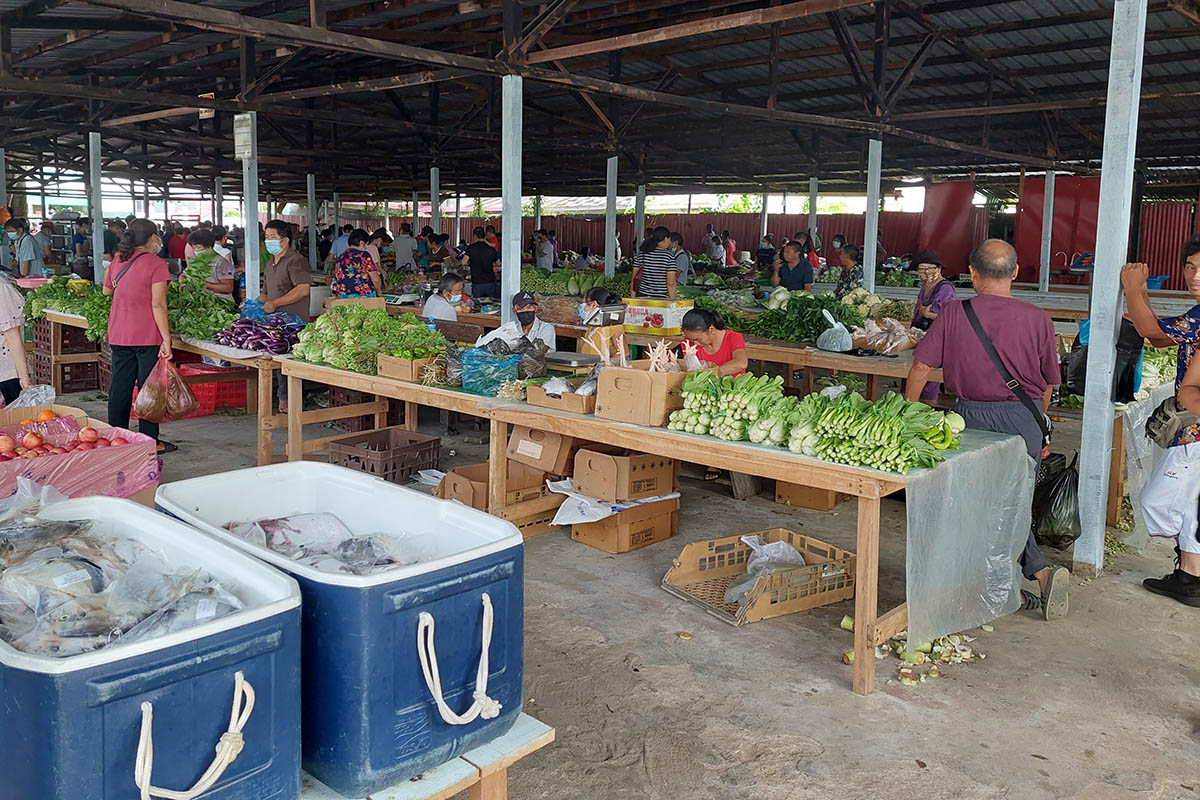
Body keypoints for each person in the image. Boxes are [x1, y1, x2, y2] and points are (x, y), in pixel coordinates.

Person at [905, 239, 1068, 620]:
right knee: (1011, 500)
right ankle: (1032, 576)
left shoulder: (953, 314)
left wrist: (907, 413)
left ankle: (1006, 583)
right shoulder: (1038, 319)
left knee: (977, 504)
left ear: (972, 274)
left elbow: (920, 369)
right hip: (1022, 419)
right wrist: (1031, 421)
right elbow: (1047, 386)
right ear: (1014, 272)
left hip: (971, 418)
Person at [1120, 241, 1200, 604]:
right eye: (1189, 266)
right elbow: (1160, 336)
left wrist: (1134, 289)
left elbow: (1149, 332)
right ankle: (1188, 576)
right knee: (1189, 503)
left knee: (1161, 501)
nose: (1194, 276)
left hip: (1195, 430)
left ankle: (1189, 574)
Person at [102, 218, 173, 452]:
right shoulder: (156, 263)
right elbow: (158, 305)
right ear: (153, 238)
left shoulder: (118, 260)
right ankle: (149, 442)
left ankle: (116, 437)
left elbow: (106, 291)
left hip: (119, 332)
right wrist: (167, 339)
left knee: (120, 386)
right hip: (146, 335)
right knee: (148, 389)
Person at [261, 219, 312, 411]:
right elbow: (266, 292)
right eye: (266, 237)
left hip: (294, 322)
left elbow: (303, 289)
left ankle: (289, 402)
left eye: (272, 237)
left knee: (291, 362)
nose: (268, 241)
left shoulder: (296, 260)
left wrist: (276, 303)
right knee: (278, 361)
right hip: (276, 321)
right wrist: (254, 304)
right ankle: (283, 399)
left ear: (285, 240)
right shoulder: (270, 263)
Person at [906, 251, 957, 404]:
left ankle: (927, 412)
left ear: (939, 269)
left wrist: (928, 315)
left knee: (928, 381)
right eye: (921, 269)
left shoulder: (945, 288)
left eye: (929, 269)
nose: (925, 273)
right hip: (920, 336)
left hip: (936, 340)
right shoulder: (925, 286)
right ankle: (909, 405)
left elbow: (951, 317)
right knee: (912, 374)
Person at [476, 291, 556, 351]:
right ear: (514, 311)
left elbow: (539, 351)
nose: (525, 311)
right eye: (520, 308)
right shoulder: (511, 330)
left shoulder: (546, 328)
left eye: (528, 307)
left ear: (535, 309)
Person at [681, 308, 748, 377]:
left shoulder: (733, 337)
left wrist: (707, 375)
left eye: (698, 339)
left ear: (711, 329)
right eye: (691, 339)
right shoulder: (688, 343)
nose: (695, 343)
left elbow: (741, 364)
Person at [0, 266, 32, 404]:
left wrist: (24, 377)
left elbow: (12, 334)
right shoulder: (2, 287)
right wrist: (24, 377)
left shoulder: (2, 286)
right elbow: (12, 335)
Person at [185, 229, 236, 300]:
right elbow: (185, 274)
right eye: (194, 248)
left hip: (219, 302)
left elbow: (228, 288)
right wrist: (183, 280)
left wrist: (203, 284)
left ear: (209, 247)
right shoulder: (196, 261)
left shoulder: (221, 262)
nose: (196, 250)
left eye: (199, 247)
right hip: (203, 302)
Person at [330, 229, 382, 298]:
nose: (366, 247)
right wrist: (379, 292)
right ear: (361, 243)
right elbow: (375, 279)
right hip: (363, 298)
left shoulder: (341, 257)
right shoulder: (363, 255)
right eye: (366, 244)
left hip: (342, 297)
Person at [632, 226, 679, 300]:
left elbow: (634, 278)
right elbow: (671, 283)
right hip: (661, 299)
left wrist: (632, 297)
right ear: (665, 239)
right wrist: (672, 300)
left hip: (642, 297)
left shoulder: (642, 254)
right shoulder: (668, 257)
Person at [465, 226, 499, 298]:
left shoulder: (471, 248)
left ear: (475, 236)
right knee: (492, 304)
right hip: (490, 281)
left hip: (477, 282)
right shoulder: (491, 249)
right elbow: (498, 263)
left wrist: (470, 262)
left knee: (478, 304)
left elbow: (463, 262)